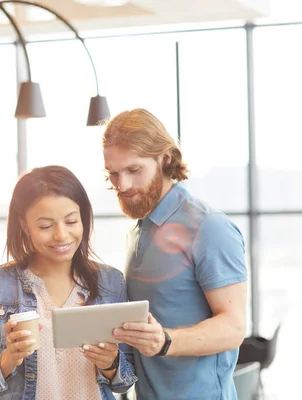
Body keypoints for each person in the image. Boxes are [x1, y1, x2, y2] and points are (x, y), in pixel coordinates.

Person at [102, 109, 248, 399]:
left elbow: (234, 327)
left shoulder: (208, 226)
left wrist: (165, 341)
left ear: (165, 159)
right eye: (114, 174)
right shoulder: (140, 228)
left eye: (134, 170)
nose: (123, 185)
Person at [0, 165, 137, 399]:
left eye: (71, 221)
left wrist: (111, 365)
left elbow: (126, 380)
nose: (61, 235)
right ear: (24, 225)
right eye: (46, 226)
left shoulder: (111, 282)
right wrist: (8, 359)